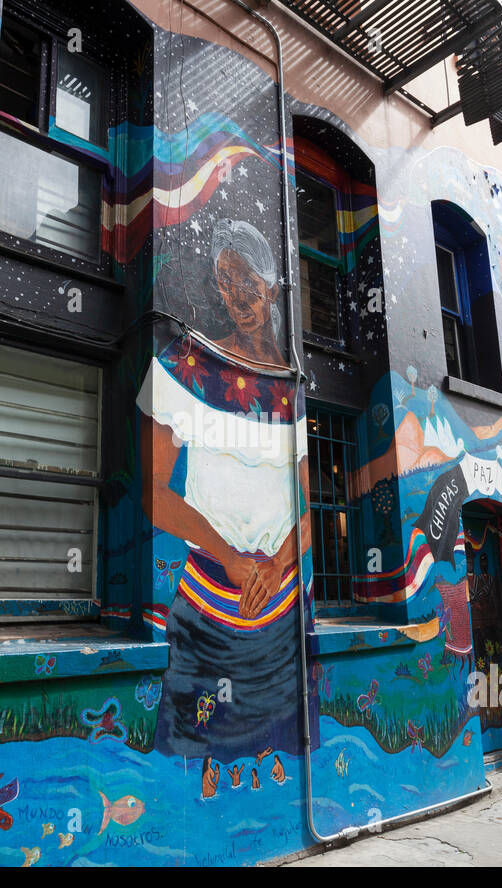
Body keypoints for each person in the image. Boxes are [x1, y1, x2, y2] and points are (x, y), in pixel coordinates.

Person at [138, 218, 310, 760]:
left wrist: (281, 560)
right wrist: (230, 557)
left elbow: (312, 513)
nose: (236, 295)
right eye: (224, 281)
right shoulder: (188, 366)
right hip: (207, 608)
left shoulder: (293, 386)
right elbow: (154, 494)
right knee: (195, 749)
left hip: (282, 619)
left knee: (278, 753)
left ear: (271, 285)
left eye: (247, 281)